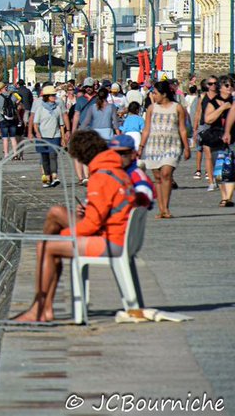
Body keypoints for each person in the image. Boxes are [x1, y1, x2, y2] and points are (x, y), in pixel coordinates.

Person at [13, 130, 133, 323]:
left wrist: (64, 236)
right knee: (56, 212)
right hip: (115, 234)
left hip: (109, 241)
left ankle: (41, 309)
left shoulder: (100, 176)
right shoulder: (114, 169)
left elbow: (92, 225)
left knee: (45, 247)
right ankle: (42, 307)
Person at [138, 80, 190, 219]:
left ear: (164, 94)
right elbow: (146, 129)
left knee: (166, 173)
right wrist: (141, 147)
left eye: (155, 93)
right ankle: (161, 209)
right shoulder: (151, 108)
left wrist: (186, 147)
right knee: (157, 177)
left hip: (172, 144)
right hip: (154, 146)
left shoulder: (177, 108)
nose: (153, 96)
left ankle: (166, 208)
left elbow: (182, 129)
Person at [27, 85, 67, 188]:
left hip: (55, 135)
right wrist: (36, 133)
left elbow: (61, 124)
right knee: (44, 157)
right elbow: (35, 123)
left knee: (53, 155)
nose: (54, 97)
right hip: (43, 136)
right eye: (52, 95)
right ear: (46, 96)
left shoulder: (57, 108)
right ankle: (47, 178)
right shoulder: (40, 108)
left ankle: (54, 177)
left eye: (54, 95)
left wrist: (63, 138)